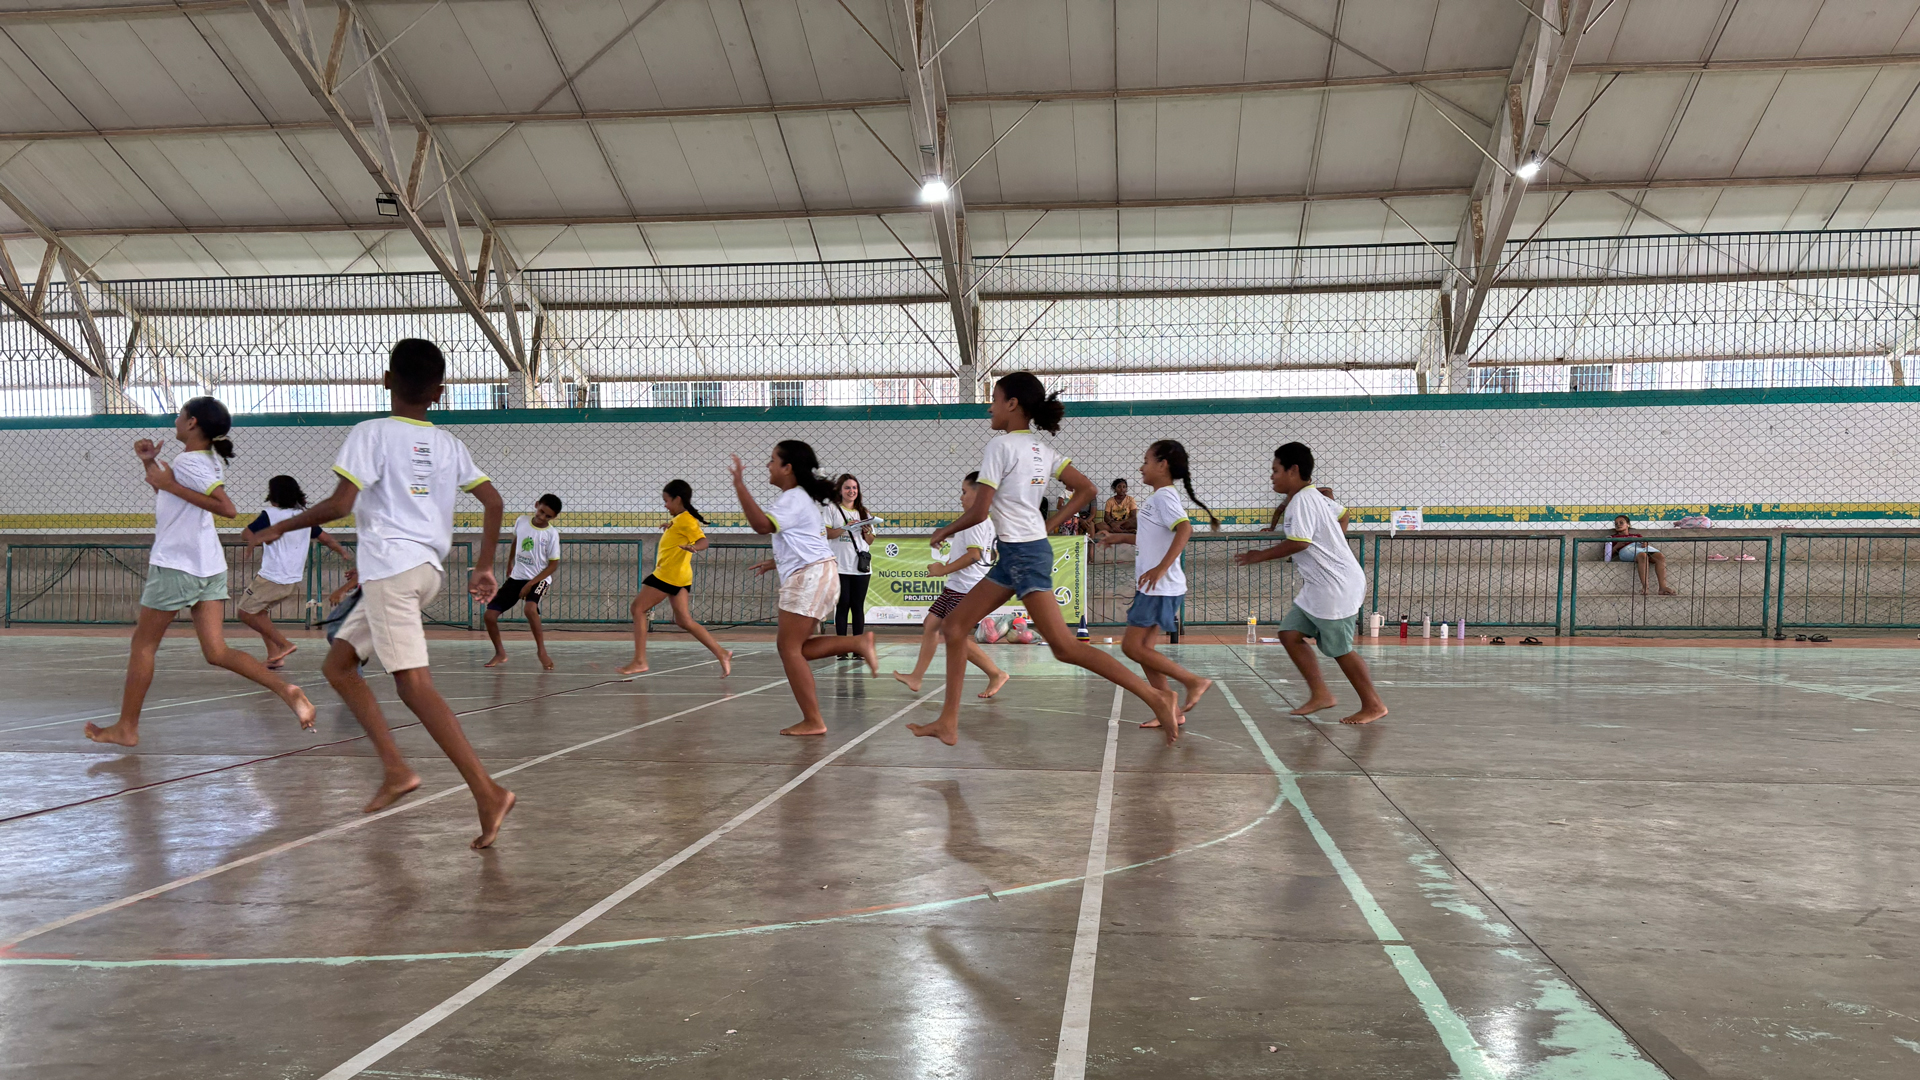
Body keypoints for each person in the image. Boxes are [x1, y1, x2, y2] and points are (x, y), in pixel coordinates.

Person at [250, 339, 515, 848]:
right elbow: (494, 502)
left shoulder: (370, 432)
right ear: (440, 392)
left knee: (414, 686)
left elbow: (340, 504)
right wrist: (484, 566)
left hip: (393, 572)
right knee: (339, 666)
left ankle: (488, 792)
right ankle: (395, 769)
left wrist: (282, 526)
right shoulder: (449, 444)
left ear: (387, 379)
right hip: (423, 571)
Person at [913, 372, 1181, 746]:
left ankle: (1156, 697)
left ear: (1012, 405)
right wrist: (1049, 524)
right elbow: (1087, 488)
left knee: (1065, 647)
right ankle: (948, 722)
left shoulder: (1000, 446)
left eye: (994, 399)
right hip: (1018, 552)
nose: (989, 408)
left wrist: (945, 530)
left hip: (1024, 554)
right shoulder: (1041, 449)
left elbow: (979, 512)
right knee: (954, 627)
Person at [85, 398, 319, 747]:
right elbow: (176, 498)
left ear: (192, 422)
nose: (175, 421)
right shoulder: (206, 459)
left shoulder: (189, 461)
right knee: (217, 652)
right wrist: (149, 463)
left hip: (177, 564)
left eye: (180, 415)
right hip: (208, 565)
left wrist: (169, 483)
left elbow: (227, 509)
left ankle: (127, 727)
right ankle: (287, 690)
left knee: (143, 645)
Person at [1235, 442, 1386, 726]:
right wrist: (1333, 541)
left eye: (1275, 470)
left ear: (1293, 470)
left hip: (1335, 585)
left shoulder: (1303, 501)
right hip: (1318, 585)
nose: (1272, 476)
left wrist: (1259, 556)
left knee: (1340, 649)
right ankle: (1320, 694)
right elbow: (1343, 514)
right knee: (1289, 633)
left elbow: (1300, 542)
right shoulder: (1313, 496)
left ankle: (1373, 704)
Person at [733, 441, 879, 735]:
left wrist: (739, 485)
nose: (768, 465)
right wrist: (775, 563)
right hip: (820, 574)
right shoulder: (800, 499)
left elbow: (762, 526)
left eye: (773, 460)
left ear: (788, 468)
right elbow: (807, 543)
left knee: (789, 649)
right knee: (795, 648)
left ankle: (814, 720)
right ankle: (856, 643)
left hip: (811, 577)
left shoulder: (793, 498)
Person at [1098, 440, 1218, 728]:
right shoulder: (1157, 499)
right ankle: (1171, 710)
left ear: (1162, 465)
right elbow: (1151, 537)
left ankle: (1193, 681)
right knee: (1145, 652)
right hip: (1155, 587)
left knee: (1132, 647)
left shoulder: (1165, 497)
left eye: (1146, 461)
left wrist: (1160, 568)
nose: (1142, 467)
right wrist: (1119, 537)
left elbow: (1185, 529)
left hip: (1160, 587)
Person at [892, 472, 1010, 698]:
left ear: (979, 495)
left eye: (964, 492)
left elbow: (974, 555)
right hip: (956, 585)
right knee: (931, 624)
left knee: (953, 633)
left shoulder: (976, 521)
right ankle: (916, 676)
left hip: (966, 588)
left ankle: (995, 673)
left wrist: (942, 570)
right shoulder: (974, 521)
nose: (960, 497)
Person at [618, 479, 733, 677]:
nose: (665, 505)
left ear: (678, 499)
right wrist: (670, 527)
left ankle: (640, 660)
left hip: (668, 574)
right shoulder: (680, 520)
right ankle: (721, 653)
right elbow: (681, 532)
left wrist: (694, 547)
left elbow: (703, 541)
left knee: (638, 608)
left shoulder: (687, 520)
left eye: (667, 501)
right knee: (684, 620)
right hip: (680, 576)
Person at [239, 475, 352, 670]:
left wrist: (261, 538)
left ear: (273, 495)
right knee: (260, 613)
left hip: (272, 577)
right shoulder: (304, 517)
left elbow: (245, 534)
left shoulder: (270, 515)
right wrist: (342, 551)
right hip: (291, 580)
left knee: (245, 613)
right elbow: (325, 538)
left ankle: (284, 644)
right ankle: (275, 656)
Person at [484, 494, 563, 670]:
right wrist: (510, 562)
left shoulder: (551, 534)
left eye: (548, 516)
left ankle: (541, 651)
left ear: (553, 517)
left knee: (530, 609)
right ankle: (500, 653)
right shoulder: (522, 521)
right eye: (541, 512)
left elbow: (553, 565)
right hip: (517, 577)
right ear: (536, 505)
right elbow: (516, 541)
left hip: (539, 578)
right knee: (489, 616)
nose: (542, 517)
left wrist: (530, 584)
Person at [824, 473, 875, 638]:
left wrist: (866, 531)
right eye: (847, 488)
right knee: (843, 605)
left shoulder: (864, 512)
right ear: (840, 490)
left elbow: (870, 540)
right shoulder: (831, 509)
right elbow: (827, 534)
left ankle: (858, 643)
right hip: (840, 566)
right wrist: (845, 528)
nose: (851, 491)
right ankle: (841, 644)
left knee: (857, 606)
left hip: (860, 567)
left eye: (854, 488)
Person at [1608, 514, 1677, 596]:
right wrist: (1617, 545)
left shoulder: (1637, 536)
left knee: (1660, 556)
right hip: (1626, 550)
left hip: (1639, 548)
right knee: (1642, 556)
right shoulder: (1612, 537)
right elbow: (1607, 554)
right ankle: (1645, 587)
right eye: (1616, 524)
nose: (1618, 525)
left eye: (1621, 522)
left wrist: (1645, 543)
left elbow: (1644, 544)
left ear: (1628, 524)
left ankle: (1662, 587)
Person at [1263, 485, 1351, 531]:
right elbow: (1279, 511)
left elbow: (1328, 490)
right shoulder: (1293, 497)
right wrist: (1272, 527)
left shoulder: (1314, 494)